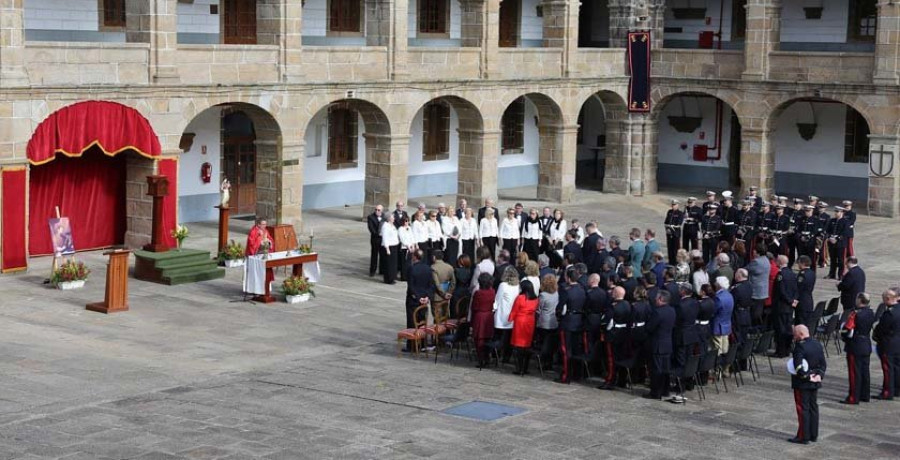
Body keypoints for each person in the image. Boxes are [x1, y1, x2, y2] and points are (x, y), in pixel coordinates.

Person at [789, 325, 827, 445]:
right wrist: (818, 375)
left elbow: (799, 367)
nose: (794, 337)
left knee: (803, 409)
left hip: (802, 383)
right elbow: (823, 364)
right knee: (813, 408)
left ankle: (803, 436)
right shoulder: (817, 344)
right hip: (815, 381)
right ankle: (813, 434)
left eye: (795, 335)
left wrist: (806, 376)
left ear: (800, 334)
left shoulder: (799, 347)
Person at [839, 292, 875, 405]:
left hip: (855, 345)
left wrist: (843, 335)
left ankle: (853, 397)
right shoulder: (870, 312)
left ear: (860, 300)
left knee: (854, 373)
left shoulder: (855, 314)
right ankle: (865, 395)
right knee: (865, 371)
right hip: (866, 343)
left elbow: (847, 330)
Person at [556, 267, 586, 384]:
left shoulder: (565, 290)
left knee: (566, 350)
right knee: (576, 349)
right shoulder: (582, 289)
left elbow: (560, 307)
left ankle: (566, 375)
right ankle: (576, 374)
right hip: (578, 321)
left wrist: (559, 316)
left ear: (568, 278)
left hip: (567, 321)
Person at [644, 290, 675, 400]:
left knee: (656, 370)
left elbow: (650, 328)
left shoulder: (657, 312)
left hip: (657, 344)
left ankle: (655, 392)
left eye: (657, 298)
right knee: (665, 369)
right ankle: (665, 390)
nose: (655, 300)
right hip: (667, 344)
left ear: (661, 299)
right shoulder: (672, 310)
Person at [405, 250, 435, 352]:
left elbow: (411, 286)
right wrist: (427, 297)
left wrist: (418, 297)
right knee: (422, 322)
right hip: (424, 300)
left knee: (412, 322)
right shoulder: (428, 268)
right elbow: (431, 285)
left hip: (413, 301)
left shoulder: (412, 269)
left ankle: (412, 345)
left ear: (414, 257)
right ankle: (422, 343)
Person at [509, 280, 539, 375]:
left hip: (520, 322)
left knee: (519, 346)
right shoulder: (536, 299)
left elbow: (514, 310)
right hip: (530, 321)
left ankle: (519, 368)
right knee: (527, 344)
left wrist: (510, 319)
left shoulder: (520, 298)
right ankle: (525, 368)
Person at [874, 288, 900, 400]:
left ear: (888, 299)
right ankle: (897, 389)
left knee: (888, 369)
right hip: (897, 342)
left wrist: (876, 336)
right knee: (897, 368)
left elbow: (881, 329)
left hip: (888, 344)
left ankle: (888, 392)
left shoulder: (889, 314)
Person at [773, 255, 798, 357]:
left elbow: (781, 291)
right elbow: (796, 289)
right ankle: (787, 349)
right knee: (788, 328)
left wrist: (789, 300)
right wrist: (794, 300)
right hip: (789, 306)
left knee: (780, 329)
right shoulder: (792, 273)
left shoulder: (781, 274)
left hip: (781, 306)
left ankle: (781, 351)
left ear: (779, 262)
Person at [494, 266, 520, 364]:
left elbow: (497, 299)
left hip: (503, 313)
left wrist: (493, 309)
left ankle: (497, 354)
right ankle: (506, 357)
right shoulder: (518, 285)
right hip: (512, 314)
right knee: (508, 337)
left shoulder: (503, 285)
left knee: (499, 336)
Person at [470, 272, 496, 368]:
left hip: (480, 316)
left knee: (479, 339)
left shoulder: (478, 293)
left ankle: (481, 359)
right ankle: (487, 358)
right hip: (489, 316)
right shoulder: (492, 291)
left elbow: (474, 307)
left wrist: (471, 322)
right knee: (487, 338)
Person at [536, 274, 560, 372]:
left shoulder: (543, 295)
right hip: (553, 321)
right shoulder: (556, 294)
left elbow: (538, 309)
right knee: (550, 344)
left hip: (544, 322)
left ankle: (542, 362)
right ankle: (548, 363)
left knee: (543, 343)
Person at [747, 244, 770, 326]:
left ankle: (754, 329)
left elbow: (747, 269)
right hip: (763, 291)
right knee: (759, 310)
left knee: (754, 313)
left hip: (756, 291)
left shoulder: (756, 262)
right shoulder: (766, 260)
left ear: (757, 252)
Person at [712, 277, 734, 356]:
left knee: (717, 350)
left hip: (718, 326)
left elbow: (713, 311)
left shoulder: (718, 298)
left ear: (718, 285)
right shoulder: (729, 295)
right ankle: (725, 367)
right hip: (727, 325)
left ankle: (717, 367)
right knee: (725, 348)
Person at [431, 249, 456, 318]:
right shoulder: (449, 267)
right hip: (447, 295)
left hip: (437, 296)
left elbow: (437, 284)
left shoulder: (433, 268)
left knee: (437, 317)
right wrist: (449, 292)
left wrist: (443, 294)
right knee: (446, 316)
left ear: (434, 257)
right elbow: (453, 282)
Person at [827, 206, 850, 280]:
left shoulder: (845, 222)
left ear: (842, 212)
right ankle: (831, 274)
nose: (836, 213)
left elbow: (845, 233)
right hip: (831, 242)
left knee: (841, 260)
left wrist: (837, 238)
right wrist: (830, 237)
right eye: (835, 212)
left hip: (840, 243)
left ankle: (841, 275)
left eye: (838, 212)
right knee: (832, 259)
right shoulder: (832, 220)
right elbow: (828, 230)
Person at [795, 256, 816, 329]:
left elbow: (798, 288)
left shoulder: (802, 274)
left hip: (802, 302)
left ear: (803, 263)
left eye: (799, 263)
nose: (798, 265)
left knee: (801, 323)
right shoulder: (812, 273)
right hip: (809, 300)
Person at [380, 213, 400, 284]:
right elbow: (385, 238)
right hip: (389, 247)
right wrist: (387, 248)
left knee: (393, 264)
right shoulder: (385, 226)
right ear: (388, 218)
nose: (394, 218)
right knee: (389, 264)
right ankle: (388, 279)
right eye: (392, 217)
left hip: (394, 246)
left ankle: (392, 277)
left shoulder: (392, 225)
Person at [367, 205, 385, 277]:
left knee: (383, 255)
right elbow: (371, 228)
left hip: (383, 239)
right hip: (375, 239)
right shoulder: (371, 217)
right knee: (374, 255)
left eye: (379, 210)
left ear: (382, 210)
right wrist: (378, 234)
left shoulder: (384, 217)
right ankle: (372, 271)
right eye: (376, 210)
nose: (377, 211)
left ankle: (382, 270)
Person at [664, 199, 684, 264]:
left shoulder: (680, 213)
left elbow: (679, 224)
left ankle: (676, 262)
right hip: (669, 233)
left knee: (676, 249)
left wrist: (672, 227)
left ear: (678, 205)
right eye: (672, 205)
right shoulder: (669, 212)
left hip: (676, 233)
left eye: (675, 205)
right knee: (670, 248)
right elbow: (666, 221)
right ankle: (670, 261)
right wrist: (667, 228)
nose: (673, 206)